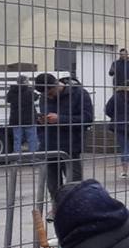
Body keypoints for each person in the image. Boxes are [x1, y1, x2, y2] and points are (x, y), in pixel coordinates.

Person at [35, 73, 94, 201]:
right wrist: (42, 123)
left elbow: (87, 119)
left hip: (70, 148)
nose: (48, 97)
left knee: (74, 187)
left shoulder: (79, 93)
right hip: (49, 147)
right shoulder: (44, 97)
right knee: (53, 187)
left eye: (50, 94)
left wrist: (60, 119)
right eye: (45, 95)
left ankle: (75, 212)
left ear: (56, 85)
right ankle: (57, 210)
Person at [6, 75, 39, 153]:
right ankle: (33, 158)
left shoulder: (12, 91)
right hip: (29, 119)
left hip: (16, 119)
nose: (29, 82)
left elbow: (8, 99)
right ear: (24, 81)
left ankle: (18, 158)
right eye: (28, 80)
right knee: (32, 139)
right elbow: (36, 97)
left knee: (17, 140)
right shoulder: (29, 91)